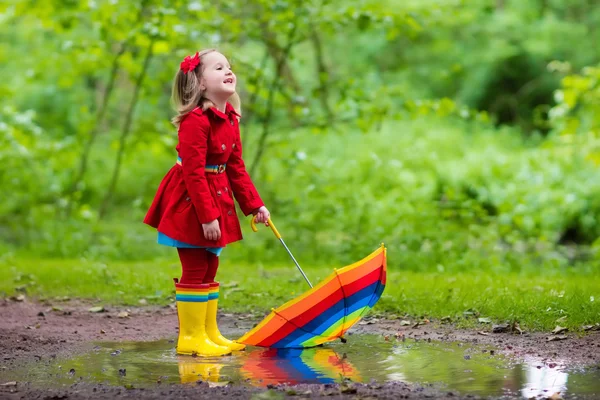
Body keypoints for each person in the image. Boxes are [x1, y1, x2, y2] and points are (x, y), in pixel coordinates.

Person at [144, 49, 270, 357]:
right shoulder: (195, 121)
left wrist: (255, 206)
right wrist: (207, 216)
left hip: (217, 192)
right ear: (200, 83)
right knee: (195, 266)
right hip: (191, 200)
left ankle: (208, 333)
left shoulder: (229, 119)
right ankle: (190, 338)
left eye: (229, 66)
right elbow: (192, 173)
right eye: (218, 67)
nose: (228, 71)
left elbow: (236, 168)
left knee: (211, 266)